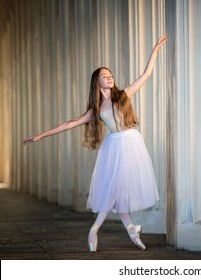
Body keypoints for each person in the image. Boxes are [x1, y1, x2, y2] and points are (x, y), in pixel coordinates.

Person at [23, 34, 168, 252]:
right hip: (114, 147)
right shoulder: (97, 110)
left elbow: (146, 75)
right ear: (97, 81)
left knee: (116, 191)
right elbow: (69, 123)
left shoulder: (124, 95)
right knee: (115, 191)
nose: (109, 77)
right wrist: (41, 135)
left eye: (110, 75)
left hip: (131, 144)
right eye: (104, 75)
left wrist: (155, 50)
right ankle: (125, 228)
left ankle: (105, 228)